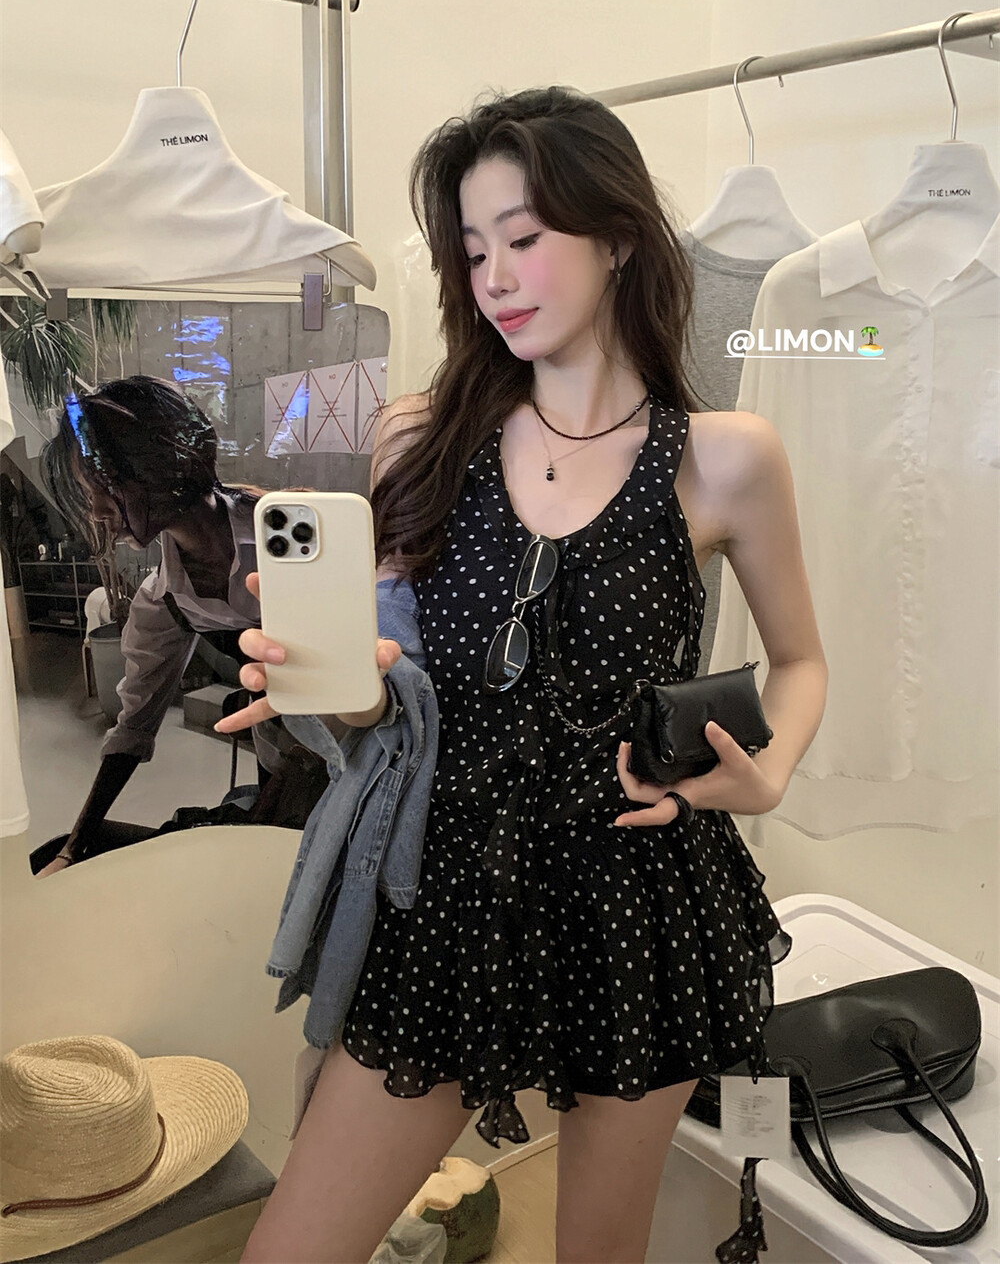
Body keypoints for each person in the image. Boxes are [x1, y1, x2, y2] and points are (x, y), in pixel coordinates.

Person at [221, 87, 829, 1264]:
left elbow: (799, 659)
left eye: (524, 237)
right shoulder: (421, 437)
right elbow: (389, 693)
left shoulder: (723, 460)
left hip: (640, 901)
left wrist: (769, 774)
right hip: (445, 898)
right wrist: (336, 687)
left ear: (617, 238)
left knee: (596, 1250)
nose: (494, 276)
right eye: (472, 250)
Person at [35, 374, 281, 876]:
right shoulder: (165, 600)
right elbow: (133, 728)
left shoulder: (286, 538)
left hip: (355, 754)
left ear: (164, 463)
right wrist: (73, 850)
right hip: (276, 756)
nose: (97, 511)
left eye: (104, 487)